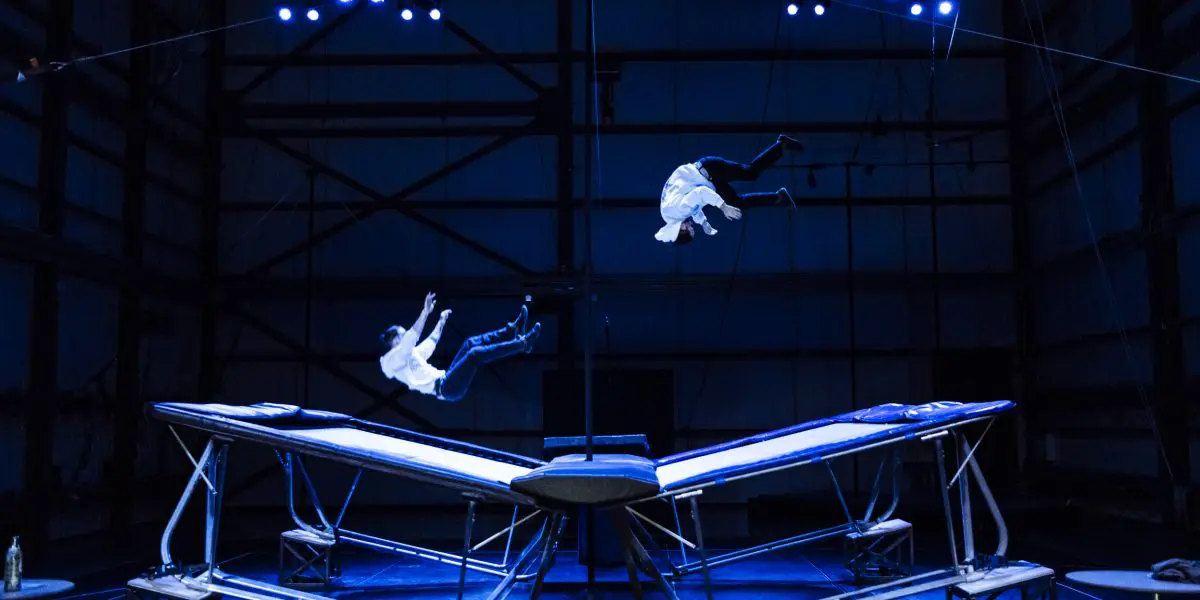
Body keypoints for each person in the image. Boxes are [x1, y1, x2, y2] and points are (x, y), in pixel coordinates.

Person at [379, 292, 540, 402]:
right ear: (396, 340)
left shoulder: (411, 355)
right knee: (473, 354)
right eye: (403, 334)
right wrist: (425, 312)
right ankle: (523, 344)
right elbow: (411, 338)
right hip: (447, 389)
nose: (406, 334)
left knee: (470, 343)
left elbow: (431, 342)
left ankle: (512, 331)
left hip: (447, 378)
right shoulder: (392, 360)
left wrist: (441, 320)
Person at [655, 134, 805, 245]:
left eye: (690, 228)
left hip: (709, 170)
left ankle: (781, 144)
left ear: (680, 229)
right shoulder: (672, 217)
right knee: (738, 204)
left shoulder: (676, 211)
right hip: (708, 181)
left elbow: (700, 194)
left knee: (749, 173)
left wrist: (723, 206)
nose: (691, 225)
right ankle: (779, 198)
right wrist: (703, 223)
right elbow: (693, 207)